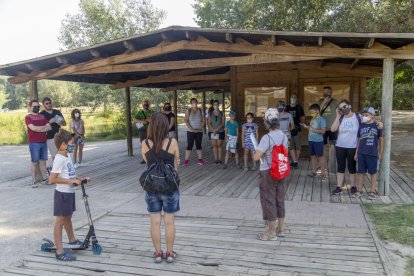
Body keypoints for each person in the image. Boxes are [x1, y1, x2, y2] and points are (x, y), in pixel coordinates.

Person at [141, 112, 180, 263]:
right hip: (170, 187)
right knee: (169, 222)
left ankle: (158, 253)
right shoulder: (173, 142)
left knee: (154, 222)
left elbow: (147, 163)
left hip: (152, 187)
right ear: (165, 126)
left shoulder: (145, 143)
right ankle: (170, 253)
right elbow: (177, 164)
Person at [48, 129, 91, 261]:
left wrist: (80, 178)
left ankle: (72, 241)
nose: (73, 145)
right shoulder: (59, 159)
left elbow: (70, 173)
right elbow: (52, 179)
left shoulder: (67, 156)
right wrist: (70, 181)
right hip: (62, 194)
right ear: (62, 145)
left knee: (68, 217)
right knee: (60, 221)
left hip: (70, 193)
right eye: (71, 143)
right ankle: (59, 252)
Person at [253, 108, 288, 240]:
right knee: (279, 199)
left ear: (267, 123)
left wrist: (254, 152)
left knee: (269, 200)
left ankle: (271, 233)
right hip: (281, 170)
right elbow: (285, 152)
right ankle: (281, 229)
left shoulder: (266, 138)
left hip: (268, 172)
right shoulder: (284, 136)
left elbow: (257, 157)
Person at [330, 99, 360, 195]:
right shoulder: (341, 117)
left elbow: (370, 121)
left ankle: (353, 186)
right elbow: (333, 129)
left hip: (352, 146)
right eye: (341, 108)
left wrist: (380, 124)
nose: (343, 109)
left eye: (344, 106)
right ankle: (339, 187)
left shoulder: (358, 116)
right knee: (340, 167)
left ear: (349, 106)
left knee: (352, 167)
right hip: (340, 146)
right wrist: (337, 115)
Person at [355, 107, 383, 199]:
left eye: (366, 115)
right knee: (361, 172)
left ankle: (372, 191)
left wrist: (380, 153)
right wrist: (356, 153)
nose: (364, 117)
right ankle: (359, 190)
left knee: (373, 173)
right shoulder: (361, 125)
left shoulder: (377, 125)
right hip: (361, 153)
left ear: (372, 116)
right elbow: (358, 140)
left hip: (372, 153)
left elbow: (381, 140)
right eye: (363, 115)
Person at [25, 99, 52, 188]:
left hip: (43, 142)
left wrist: (40, 128)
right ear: (30, 107)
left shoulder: (42, 116)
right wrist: (43, 128)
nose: (37, 108)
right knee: (34, 162)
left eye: (38, 106)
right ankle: (33, 181)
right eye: (34, 106)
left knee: (43, 162)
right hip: (34, 143)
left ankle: (44, 179)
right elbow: (33, 128)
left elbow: (49, 127)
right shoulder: (28, 117)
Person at [40, 97, 66, 169]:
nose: (49, 104)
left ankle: (62, 171)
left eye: (50, 103)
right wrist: (49, 122)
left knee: (62, 154)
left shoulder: (57, 112)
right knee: (55, 156)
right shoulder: (42, 114)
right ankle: (55, 173)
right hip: (50, 137)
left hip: (60, 136)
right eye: (47, 103)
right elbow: (41, 127)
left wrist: (59, 120)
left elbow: (64, 124)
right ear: (43, 105)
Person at [302, 104, 326, 178]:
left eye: (312, 112)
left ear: (317, 111)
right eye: (310, 112)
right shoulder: (313, 119)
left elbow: (323, 131)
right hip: (311, 140)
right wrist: (307, 127)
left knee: (320, 157)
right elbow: (311, 128)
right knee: (312, 157)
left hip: (318, 141)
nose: (311, 114)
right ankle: (314, 172)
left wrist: (312, 129)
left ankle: (322, 174)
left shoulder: (322, 120)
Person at [319, 87, 339, 171]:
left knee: (333, 146)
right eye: (325, 92)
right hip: (323, 127)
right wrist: (324, 101)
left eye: (328, 92)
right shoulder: (320, 102)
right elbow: (317, 112)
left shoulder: (336, 102)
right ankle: (323, 166)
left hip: (332, 128)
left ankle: (332, 165)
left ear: (331, 92)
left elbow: (340, 113)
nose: (327, 94)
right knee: (322, 146)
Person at [285, 94, 305, 169]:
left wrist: (300, 125)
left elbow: (303, 117)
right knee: (291, 146)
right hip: (288, 129)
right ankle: (295, 161)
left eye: (294, 97)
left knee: (298, 146)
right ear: (289, 98)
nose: (293, 98)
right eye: (292, 97)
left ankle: (295, 161)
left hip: (297, 129)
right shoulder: (286, 107)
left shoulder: (299, 108)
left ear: (297, 99)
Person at [183, 98, 205, 166]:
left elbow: (203, 121)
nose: (194, 103)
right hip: (190, 131)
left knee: (198, 145)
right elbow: (186, 121)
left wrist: (199, 129)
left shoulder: (201, 111)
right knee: (189, 145)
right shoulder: (188, 111)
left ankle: (200, 160)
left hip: (199, 131)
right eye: (193, 102)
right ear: (191, 103)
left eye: (195, 102)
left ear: (197, 102)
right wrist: (192, 129)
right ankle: (186, 160)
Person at [207, 100, 225, 164]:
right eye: (214, 104)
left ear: (218, 105)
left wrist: (217, 129)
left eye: (217, 104)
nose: (215, 105)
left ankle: (220, 159)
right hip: (212, 132)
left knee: (219, 145)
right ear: (213, 105)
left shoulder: (221, 113)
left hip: (220, 131)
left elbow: (223, 122)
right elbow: (208, 123)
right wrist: (213, 129)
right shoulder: (210, 113)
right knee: (214, 146)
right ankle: (216, 159)